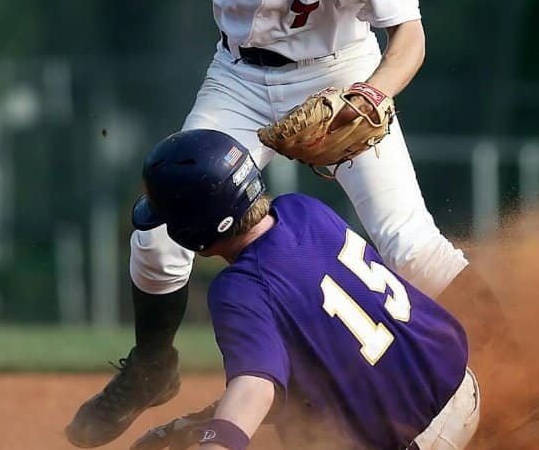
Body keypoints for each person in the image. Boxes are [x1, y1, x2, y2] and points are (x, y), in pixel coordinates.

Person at [66, 0, 539, 446]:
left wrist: (371, 93)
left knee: (409, 240)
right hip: (239, 76)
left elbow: (410, 37)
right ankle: (151, 364)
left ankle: (533, 385)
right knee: (161, 230)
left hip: (336, 74)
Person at [125, 129, 481, 450]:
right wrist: (197, 425)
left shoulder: (237, 289)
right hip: (464, 389)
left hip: (416, 439)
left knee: (306, 436)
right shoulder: (303, 209)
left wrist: (216, 444)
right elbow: (308, 363)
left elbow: (256, 386)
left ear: (192, 229)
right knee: (304, 408)